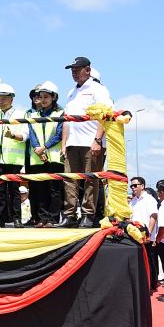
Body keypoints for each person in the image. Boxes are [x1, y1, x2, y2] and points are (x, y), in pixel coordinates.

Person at [59, 57, 113, 228]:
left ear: (87, 70)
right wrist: (64, 144)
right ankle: (70, 215)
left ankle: (88, 215)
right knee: (69, 179)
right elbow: (67, 120)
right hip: (72, 142)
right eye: (72, 69)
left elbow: (106, 115)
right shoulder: (71, 92)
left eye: (77, 68)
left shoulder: (98, 89)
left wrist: (97, 140)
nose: (74, 72)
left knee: (91, 180)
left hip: (91, 141)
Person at [0, 84, 25, 227]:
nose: (1, 101)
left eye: (4, 99)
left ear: (11, 99)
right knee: (0, 191)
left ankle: (17, 219)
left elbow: (25, 136)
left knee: (14, 190)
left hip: (13, 159)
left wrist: (12, 135)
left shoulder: (20, 114)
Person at [27, 81, 64, 228]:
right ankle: (42, 218)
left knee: (54, 190)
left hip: (54, 156)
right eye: (41, 97)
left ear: (54, 97)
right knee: (40, 189)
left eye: (46, 97)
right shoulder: (33, 114)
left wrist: (44, 147)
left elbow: (59, 134)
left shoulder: (60, 113)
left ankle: (53, 218)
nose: (43, 100)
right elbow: (32, 133)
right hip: (37, 156)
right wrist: (38, 148)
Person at [129, 177, 159, 292]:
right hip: (136, 235)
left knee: (150, 261)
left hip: (146, 236)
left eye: (135, 185)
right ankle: (143, 283)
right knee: (141, 261)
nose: (133, 188)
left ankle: (152, 285)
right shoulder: (133, 201)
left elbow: (153, 216)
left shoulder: (149, 199)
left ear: (142, 186)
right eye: (131, 186)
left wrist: (149, 233)